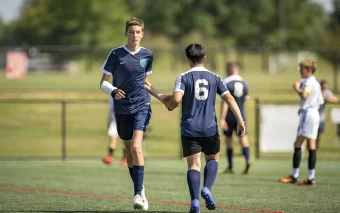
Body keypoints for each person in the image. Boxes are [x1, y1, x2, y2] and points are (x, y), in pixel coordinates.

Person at [166, 44, 246, 213]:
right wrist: (240, 120)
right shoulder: (215, 77)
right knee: (212, 160)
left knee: (194, 166)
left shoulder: (183, 77)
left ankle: (195, 201)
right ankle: (207, 188)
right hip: (209, 128)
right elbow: (229, 99)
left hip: (189, 128)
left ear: (188, 60)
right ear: (205, 58)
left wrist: (169, 103)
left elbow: (176, 100)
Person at [99, 17, 168, 210]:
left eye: (138, 32)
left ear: (142, 34)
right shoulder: (116, 54)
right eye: (132, 32)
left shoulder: (148, 55)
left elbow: (144, 82)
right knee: (128, 150)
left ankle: (137, 194)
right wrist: (112, 90)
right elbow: (103, 81)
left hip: (142, 105)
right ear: (126, 33)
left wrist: (160, 96)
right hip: (121, 108)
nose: (135, 35)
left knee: (137, 147)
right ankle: (141, 189)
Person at [279, 59, 324, 186]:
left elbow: (305, 95)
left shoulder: (308, 82)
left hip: (309, 115)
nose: (300, 71)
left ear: (308, 70)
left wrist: (297, 88)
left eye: (302, 69)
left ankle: (294, 175)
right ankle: (310, 178)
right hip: (314, 113)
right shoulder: (316, 82)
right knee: (311, 146)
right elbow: (320, 100)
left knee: (297, 144)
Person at [219, 61, 250, 174]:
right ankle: (248, 161)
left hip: (229, 116)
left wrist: (222, 118)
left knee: (229, 140)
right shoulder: (244, 83)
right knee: (243, 138)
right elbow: (244, 101)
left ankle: (231, 166)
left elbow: (225, 102)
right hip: (240, 115)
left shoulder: (226, 82)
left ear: (231, 69)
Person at [102, 96, 127, 166]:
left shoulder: (126, 93)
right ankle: (110, 157)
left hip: (124, 120)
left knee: (125, 140)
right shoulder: (112, 96)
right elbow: (111, 109)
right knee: (112, 139)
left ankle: (125, 158)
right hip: (114, 120)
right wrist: (109, 120)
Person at [316, 80, 338, 149]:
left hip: (321, 117)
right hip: (313, 116)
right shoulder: (317, 91)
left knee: (318, 134)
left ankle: (315, 149)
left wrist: (326, 98)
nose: (325, 86)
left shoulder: (327, 92)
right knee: (311, 135)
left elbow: (335, 99)